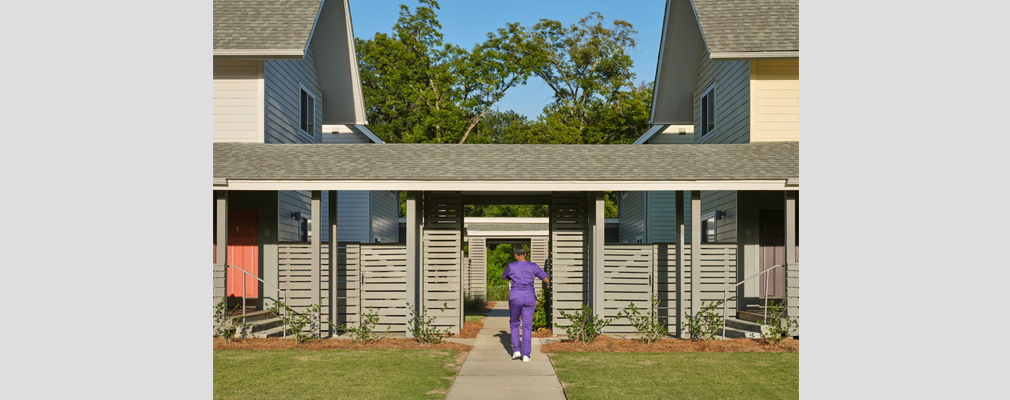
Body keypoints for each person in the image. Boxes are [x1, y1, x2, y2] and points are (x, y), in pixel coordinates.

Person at [501, 244, 549, 363]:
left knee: (514, 323)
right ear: (525, 254)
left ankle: (516, 350)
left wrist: (510, 278)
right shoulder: (533, 266)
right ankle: (526, 355)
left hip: (515, 297)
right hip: (529, 297)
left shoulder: (511, 266)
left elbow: (503, 277)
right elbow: (546, 279)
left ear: (515, 255)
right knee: (527, 326)